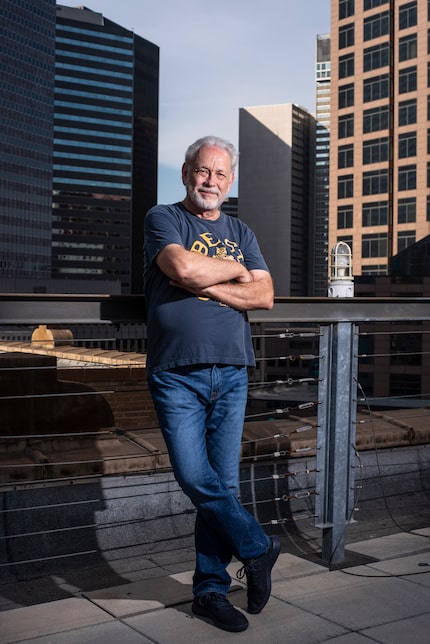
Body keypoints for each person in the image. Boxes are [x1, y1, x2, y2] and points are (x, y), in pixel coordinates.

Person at [143, 135, 280, 633]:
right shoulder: (163, 218)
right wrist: (237, 273)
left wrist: (212, 279)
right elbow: (180, 267)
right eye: (203, 171)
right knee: (195, 478)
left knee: (218, 486)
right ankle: (257, 547)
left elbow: (265, 296)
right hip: (176, 372)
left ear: (231, 180)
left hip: (233, 372)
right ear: (185, 173)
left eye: (221, 174)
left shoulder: (241, 229)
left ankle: (210, 591)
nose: (211, 181)